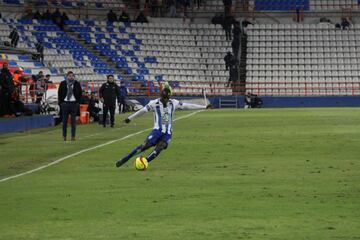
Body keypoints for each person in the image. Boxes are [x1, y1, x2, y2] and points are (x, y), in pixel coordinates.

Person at [115, 84, 211, 168]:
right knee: (145, 146)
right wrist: (129, 118)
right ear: (161, 96)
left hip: (168, 133)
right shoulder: (153, 103)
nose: (165, 100)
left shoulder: (173, 103)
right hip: (157, 131)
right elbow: (142, 111)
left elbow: (187, 105)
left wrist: (204, 107)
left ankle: (145, 162)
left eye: (167, 98)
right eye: (164, 98)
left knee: (160, 147)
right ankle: (125, 159)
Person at [58, 71, 82, 141]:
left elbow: (80, 93)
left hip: (73, 103)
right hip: (65, 103)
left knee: (73, 121)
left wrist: (77, 102)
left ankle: (73, 136)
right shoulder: (63, 83)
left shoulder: (77, 83)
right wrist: (61, 103)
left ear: (74, 77)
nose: (71, 77)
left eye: (72, 76)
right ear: (67, 76)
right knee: (64, 121)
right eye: (69, 76)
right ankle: (64, 136)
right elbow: (59, 93)